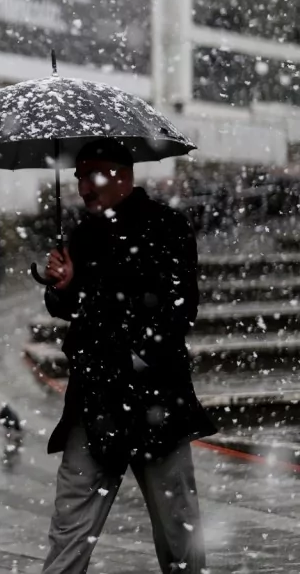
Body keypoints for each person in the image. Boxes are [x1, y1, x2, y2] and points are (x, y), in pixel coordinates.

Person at [41, 138, 216, 574]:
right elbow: (70, 309)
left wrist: (130, 352)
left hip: (153, 400)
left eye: (91, 175)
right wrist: (60, 287)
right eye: (78, 176)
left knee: (179, 531)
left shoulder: (166, 226)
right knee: (70, 525)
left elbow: (178, 309)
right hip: (94, 399)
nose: (82, 188)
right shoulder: (83, 234)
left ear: (122, 174)